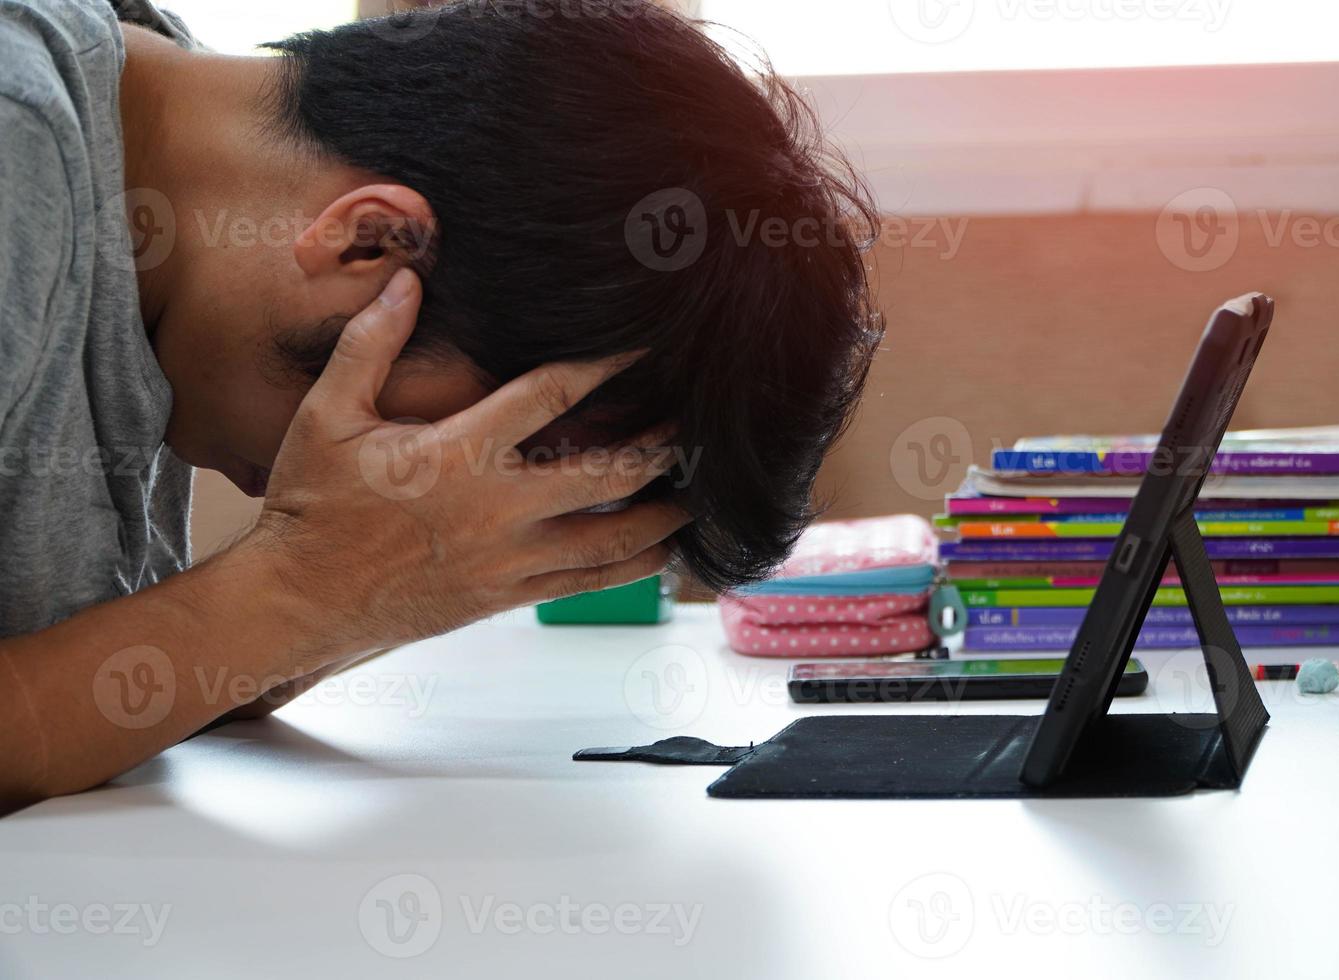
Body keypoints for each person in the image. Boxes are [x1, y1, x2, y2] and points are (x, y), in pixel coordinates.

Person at [0, 0, 883, 811]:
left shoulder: (156, 222)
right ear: (370, 240)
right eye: (442, 441)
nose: (399, 480)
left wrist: (361, 593)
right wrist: (301, 589)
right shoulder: (18, 145)